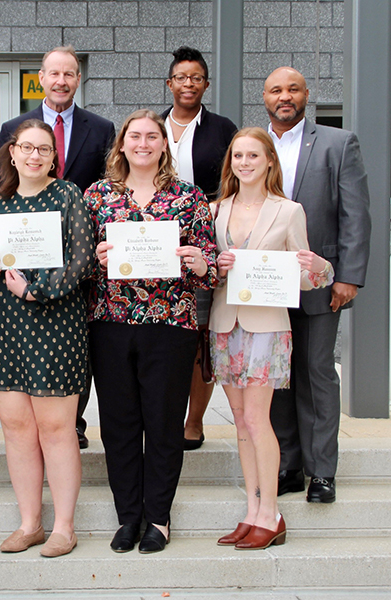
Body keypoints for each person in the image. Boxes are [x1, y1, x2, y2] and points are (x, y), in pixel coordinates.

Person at [86, 110, 217, 554]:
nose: (142, 143)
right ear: (121, 144)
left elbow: (210, 267)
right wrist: (96, 259)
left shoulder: (189, 197)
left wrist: (200, 263)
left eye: (152, 137)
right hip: (111, 323)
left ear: (164, 145)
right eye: (134, 136)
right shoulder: (98, 196)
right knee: (119, 425)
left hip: (169, 325)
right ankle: (128, 517)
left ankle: (157, 518)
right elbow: (79, 263)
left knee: (162, 424)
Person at [210, 128, 333, 550]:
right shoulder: (216, 210)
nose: (244, 163)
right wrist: (217, 267)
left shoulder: (288, 210)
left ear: (269, 162)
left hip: (267, 327)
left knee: (257, 420)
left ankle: (272, 514)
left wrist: (319, 266)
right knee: (241, 423)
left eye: (253, 156)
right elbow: (208, 272)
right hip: (225, 324)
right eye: (238, 155)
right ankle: (252, 509)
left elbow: (304, 275)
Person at [0, 120, 93, 558]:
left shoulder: (68, 196)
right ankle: (30, 523)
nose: (34, 156)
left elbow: (82, 262)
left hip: (56, 321)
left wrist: (36, 291)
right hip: (7, 324)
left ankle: (64, 526)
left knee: (57, 428)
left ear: (53, 156)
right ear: (12, 151)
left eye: (44, 149)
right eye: (27, 147)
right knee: (17, 428)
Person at [0, 45, 115, 449]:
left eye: (69, 73)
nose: (61, 80)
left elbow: (106, 186)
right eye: (54, 73)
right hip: (25, 253)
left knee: (74, 338)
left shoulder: (101, 128)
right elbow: (4, 186)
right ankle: (44, 419)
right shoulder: (15, 126)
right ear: (41, 78)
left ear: (78, 79)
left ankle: (72, 421)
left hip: (78, 252)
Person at [263, 67, 371, 504]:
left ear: (307, 95)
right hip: (265, 284)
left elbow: (356, 215)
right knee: (278, 378)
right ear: (264, 97)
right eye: (276, 90)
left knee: (317, 373)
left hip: (318, 283)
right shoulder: (253, 145)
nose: (284, 96)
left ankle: (322, 471)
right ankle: (289, 464)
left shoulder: (337, 143)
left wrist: (348, 275)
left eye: (292, 89)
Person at [160, 46, 238, 451]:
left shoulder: (223, 129)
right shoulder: (151, 126)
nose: (188, 83)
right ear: (169, 83)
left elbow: (237, 179)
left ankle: (194, 421)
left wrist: (210, 206)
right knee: (166, 332)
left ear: (206, 84)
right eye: (181, 77)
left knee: (199, 333)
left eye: (196, 77)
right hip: (153, 247)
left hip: (204, 238)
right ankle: (165, 415)